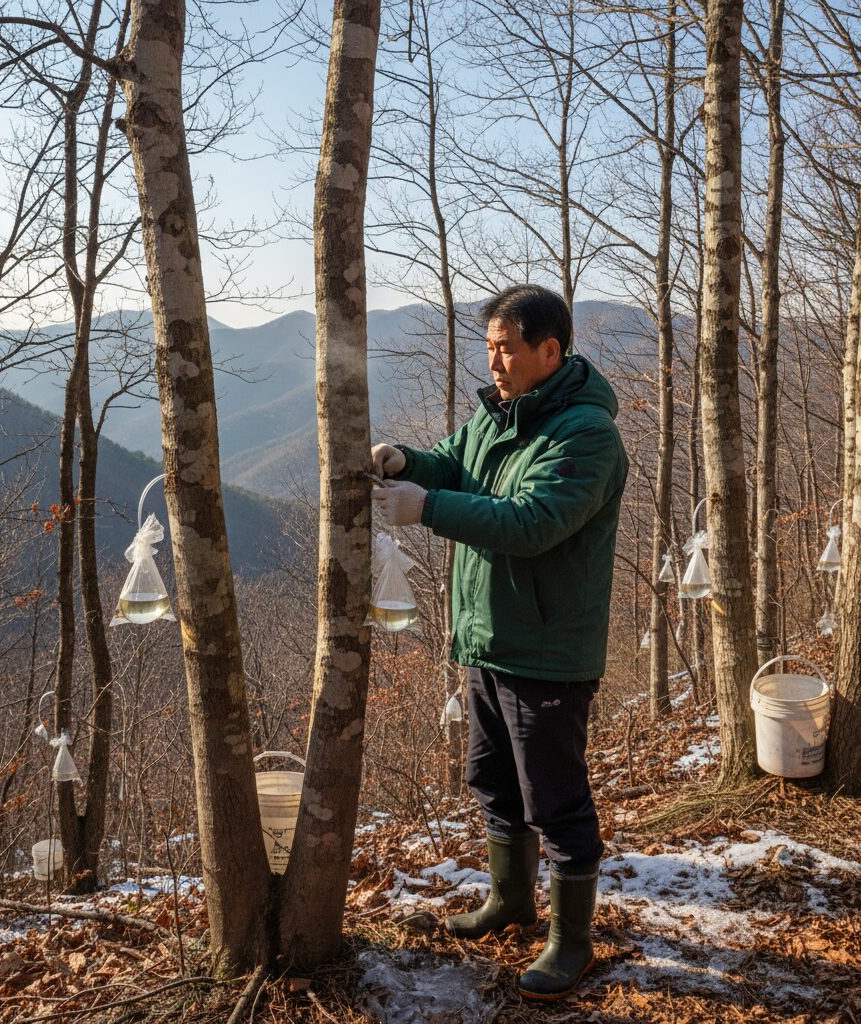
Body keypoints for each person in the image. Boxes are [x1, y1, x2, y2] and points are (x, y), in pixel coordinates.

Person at [371, 284, 628, 1001]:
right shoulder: (499, 415)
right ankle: (512, 901)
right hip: (487, 638)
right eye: (489, 347)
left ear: (550, 350)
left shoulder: (586, 435)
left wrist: (426, 508)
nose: (494, 361)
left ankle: (572, 940)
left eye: (506, 348)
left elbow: (532, 522)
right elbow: (452, 464)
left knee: (555, 800)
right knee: (492, 781)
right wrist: (406, 463)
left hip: (546, 650)